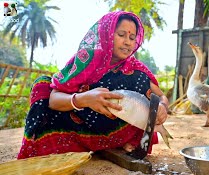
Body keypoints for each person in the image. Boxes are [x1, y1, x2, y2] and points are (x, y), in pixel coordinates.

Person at [17, 11, 169, 159]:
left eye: (132, 37)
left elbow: (160, 96)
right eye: (121, 35)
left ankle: (117, 142)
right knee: (42, 86)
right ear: (107, 34)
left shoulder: (135, 68)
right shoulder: (86, 59)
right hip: (80, 128)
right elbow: (54, 100)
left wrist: (162, 106)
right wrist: (85, 99)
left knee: (139, 79)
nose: (128, 42)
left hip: (117, 133)